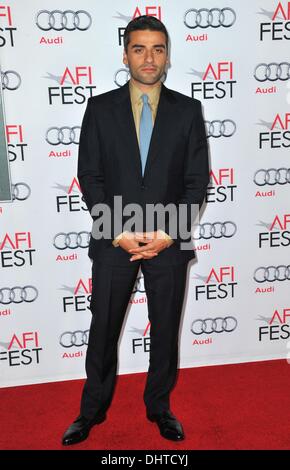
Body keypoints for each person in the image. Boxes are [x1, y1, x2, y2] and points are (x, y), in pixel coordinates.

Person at [62, 15, 209, 445]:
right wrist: (117, 230)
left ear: (167, 56)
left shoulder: (188, 110)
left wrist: (168, 232)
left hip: (169, 240)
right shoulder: (99, 108)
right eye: (140, 49)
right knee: (103, 328)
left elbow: (196, 181)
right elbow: (90, 176)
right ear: (125, 53)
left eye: (158, 49)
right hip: (114, 238)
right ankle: (91, 412)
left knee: (164, 329)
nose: (149, 58)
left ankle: (160, 408)